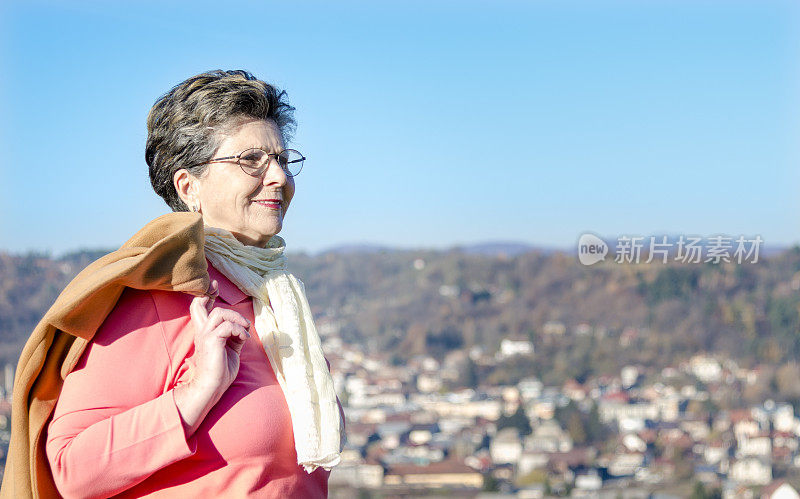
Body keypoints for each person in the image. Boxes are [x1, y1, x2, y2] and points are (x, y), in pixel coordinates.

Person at [2, 70, 344, 498]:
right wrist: (197, 393)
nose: (278, 176)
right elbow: (72, 470)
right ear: (189, 186)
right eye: (251, 159)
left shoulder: (278, 302)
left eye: (281, 159)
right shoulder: (158, 300)